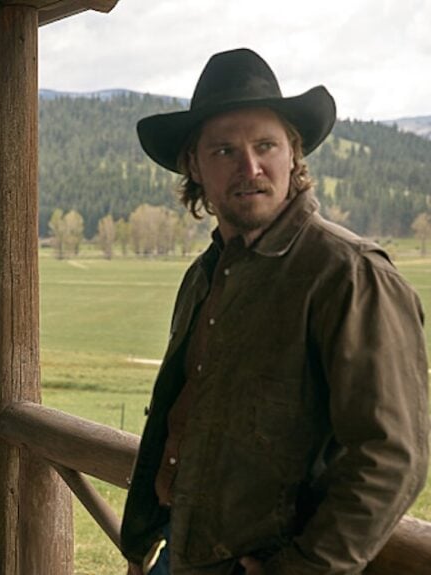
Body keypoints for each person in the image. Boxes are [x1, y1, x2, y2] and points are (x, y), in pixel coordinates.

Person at [121, 48, 429, 574]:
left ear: (294, 152)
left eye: (266, 145)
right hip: (178, 550)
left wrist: (302, 569)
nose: (250, 167)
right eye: (223, 151)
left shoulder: (348, 274)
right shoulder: (206, 274)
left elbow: (390, 456)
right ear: (194, 166)